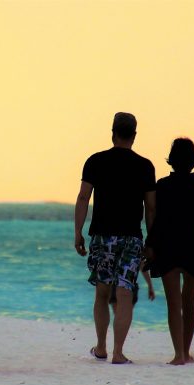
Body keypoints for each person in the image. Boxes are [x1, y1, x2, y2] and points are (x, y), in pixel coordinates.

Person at [74, 112, 156, 364]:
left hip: (102, 236)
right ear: (134, 135)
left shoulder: (95, 161)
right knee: (124, 293)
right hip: (131, 238)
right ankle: (118, 353)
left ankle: (101, 347)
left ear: (113, 133)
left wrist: (77, 232)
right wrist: (152, 242)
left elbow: (83, 197)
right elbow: (151, 208)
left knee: (101, 292)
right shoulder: (145, 166)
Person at [145, 137, 194, 365]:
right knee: (189, 302)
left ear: (171, 160)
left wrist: (149, 245)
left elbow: (157, 221)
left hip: (168, 250)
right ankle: (186, 353)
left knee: (174, 304)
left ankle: (178, 354)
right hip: (193, 251)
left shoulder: (163, 186)